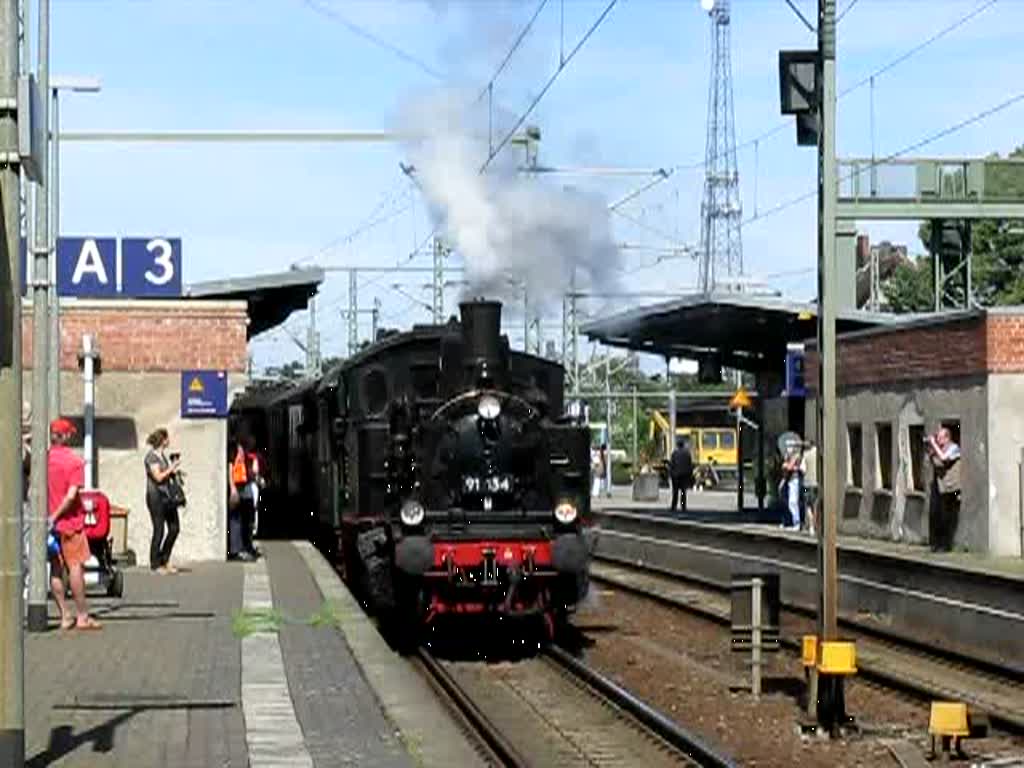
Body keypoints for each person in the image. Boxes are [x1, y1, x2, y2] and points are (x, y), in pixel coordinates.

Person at [47, 418, 101, 631]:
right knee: (75, 566)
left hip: (49, 526)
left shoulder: (43, 460)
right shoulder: (74, 462)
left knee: (56, 568)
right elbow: (71, 496)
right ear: (67, 436)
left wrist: (49, 517)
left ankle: (64, 615)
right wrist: (57, 515)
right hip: (69, 523)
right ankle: (82, 616)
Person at [145, 428, 183, 573]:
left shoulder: (162, 456)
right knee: (159, 530)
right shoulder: (151, 457)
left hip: (167, 497)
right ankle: (155, 564)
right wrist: (171, 468)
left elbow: (165, 475)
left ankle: (164, 559)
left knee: (174, 528)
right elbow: (158, 477)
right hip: (155, 497)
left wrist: (174, 472)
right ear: (162, 440)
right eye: (167, 438)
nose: (169, 440)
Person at [926, 427, 961, 552]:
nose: (938, 439)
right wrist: (931, 449)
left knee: (948, 517)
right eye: (937, 437)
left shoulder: (954, 448)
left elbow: (944, 458)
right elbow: (934, 462)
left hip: (952, 489)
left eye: (940, 437)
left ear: (947, 438)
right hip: (941, 489)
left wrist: (933, 445)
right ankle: (938, 544)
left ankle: (946, 545)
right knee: (938, 516)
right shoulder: (938, 449)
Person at [228, 438, 257, 561]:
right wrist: (232, 488)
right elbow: (230, 468)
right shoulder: (233, 449)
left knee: (247, 519)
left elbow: (251, 469)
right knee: (236, 519)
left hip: (246, 485)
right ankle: (236, 550)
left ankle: (247, 547)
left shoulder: (247, 451)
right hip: (238, 486)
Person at [780, 441, 803, 530]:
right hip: (789, 481)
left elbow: (789, 467)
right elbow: (785, 468)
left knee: (793, 502)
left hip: (794, 481)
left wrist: (786, 465)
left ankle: (797, 522)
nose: (788, 449)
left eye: (789, 447)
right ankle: (788, 521)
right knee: (787, 501)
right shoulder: (788, 456)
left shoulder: (796, 456)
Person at [668, 437, 694, 514]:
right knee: (683, 492)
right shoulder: (687, 453)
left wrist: (671, 474)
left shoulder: (674, 453)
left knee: (675, 492)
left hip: (676, 475)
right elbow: (690, 465)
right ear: (683, 445)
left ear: (677, 445)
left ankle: (674, 506)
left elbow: (672, 465)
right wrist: (690, 474)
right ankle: (683, 506)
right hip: (684, 475)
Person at [801, 441, 818, 535]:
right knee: (815, 504)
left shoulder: (805, 455)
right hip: (816, 484)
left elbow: (802, 469)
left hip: (806, 484)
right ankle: (814, 526)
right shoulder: (818, 454)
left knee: (807, 504)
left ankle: (811, 526)